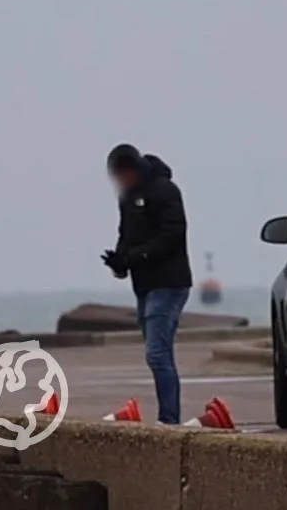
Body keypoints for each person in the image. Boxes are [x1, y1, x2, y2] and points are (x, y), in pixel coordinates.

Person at [100, 143, 191, 425]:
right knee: (156, 353)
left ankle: (169, 419)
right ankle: (168, 416)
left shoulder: (165, 190)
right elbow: (126, 234)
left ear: (134, 169)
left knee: (158, 352)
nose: (121, 181)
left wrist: (138, 256)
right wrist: (120, 262)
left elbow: (173, 234)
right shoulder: (128, 197)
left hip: (170, 283)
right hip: (144, 285)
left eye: (124, 175)